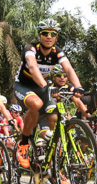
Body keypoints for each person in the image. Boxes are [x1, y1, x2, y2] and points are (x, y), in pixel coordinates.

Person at [14, 19, 85, 169]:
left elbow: (69, 69)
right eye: (45, 33)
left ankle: (54, 167)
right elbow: (33, 67)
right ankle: (24, 144)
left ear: (56, 37)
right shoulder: (31, 48)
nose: (49, 36)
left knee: (54, 117)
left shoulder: (57, 52)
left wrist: (78, 86)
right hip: (24, 85)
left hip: (43, 87)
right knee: (36, 104)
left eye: (52, 34)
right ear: (39, 35)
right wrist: (47, 87)